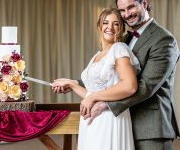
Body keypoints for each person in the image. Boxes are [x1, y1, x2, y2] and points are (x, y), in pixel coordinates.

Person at [54, 0, 180, 150]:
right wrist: (73, 83)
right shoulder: (125, 38)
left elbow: (146, 86)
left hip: (150, 128)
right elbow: (109, 76)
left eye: (131, 7)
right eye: (122, 10)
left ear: (144, 3)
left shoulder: (163, 39)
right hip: (122, 122)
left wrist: (105, 104)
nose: (127, 14)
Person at [52, 8, 141, 150]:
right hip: (92, 119)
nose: (110, 27)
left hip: (110, 118)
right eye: (106, 23)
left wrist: (92, 97)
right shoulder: (98, 54)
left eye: (116, 24)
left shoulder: (119, 48)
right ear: (99, 26)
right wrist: (71, 84)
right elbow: (91, 94)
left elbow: (130, 86)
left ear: (122, 28)